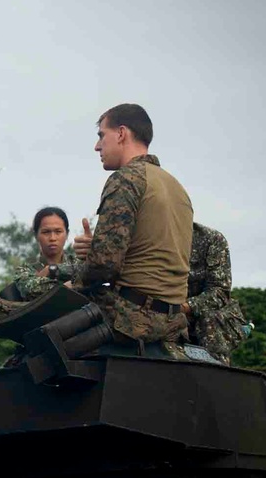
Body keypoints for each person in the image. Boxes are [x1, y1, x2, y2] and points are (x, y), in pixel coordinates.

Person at [74, 103, 192, 347]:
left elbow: (104, 266)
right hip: (173, 322)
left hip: (132, 317)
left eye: (101, 136)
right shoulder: (176, 187)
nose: (97, 146)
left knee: (37, 318)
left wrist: (70, 283)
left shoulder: (127, 178)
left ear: (121, 133)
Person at [186, 222, 246, 364]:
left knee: (210, 320)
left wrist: (184, 307)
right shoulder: (145, 234)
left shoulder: (211, 239)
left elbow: (220, 292)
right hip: (161, 312)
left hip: (205, 318)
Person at [12, 207, 80, 301]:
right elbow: (30, 290)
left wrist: (52, 270)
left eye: (58, 232)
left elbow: (92, 274)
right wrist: (66, 287)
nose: (52, 238)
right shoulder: (25, 270)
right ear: (36, 235)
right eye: (46, 232)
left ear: (67, 234)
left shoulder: (78, 262)